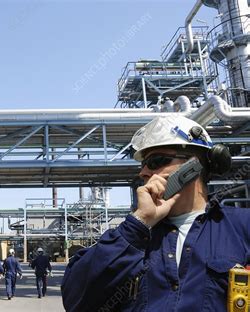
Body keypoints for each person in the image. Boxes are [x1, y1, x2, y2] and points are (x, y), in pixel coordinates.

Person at [61, 115, 250, 312]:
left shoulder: (242, 227)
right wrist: (139, 222)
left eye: (155, 161)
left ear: (192, 166)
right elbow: (76, 301)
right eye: (142, 165)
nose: (142, 172)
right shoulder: (131, 238)